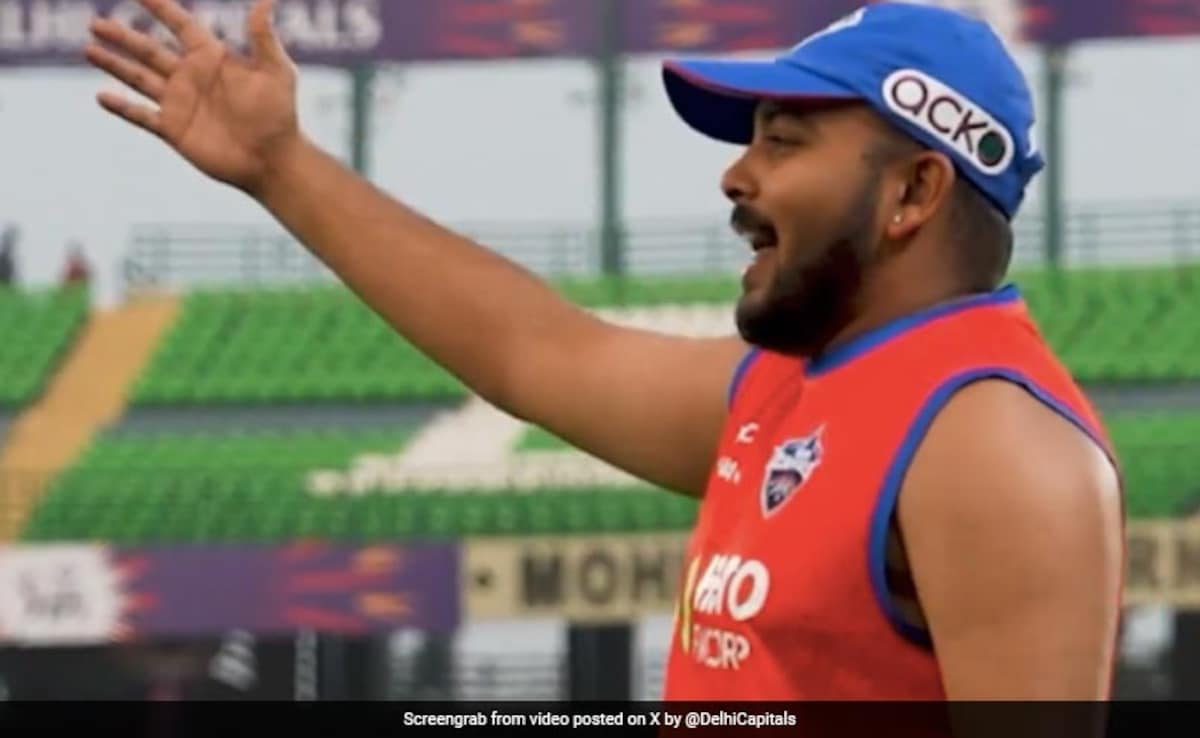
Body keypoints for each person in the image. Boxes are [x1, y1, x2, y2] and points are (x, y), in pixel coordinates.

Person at [85, 0, 1124, 700]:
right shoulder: (785, 390)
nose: (737, 175)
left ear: (914, 191)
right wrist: (281, 167)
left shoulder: (990, 442)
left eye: (784, 140)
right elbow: (533, 352)